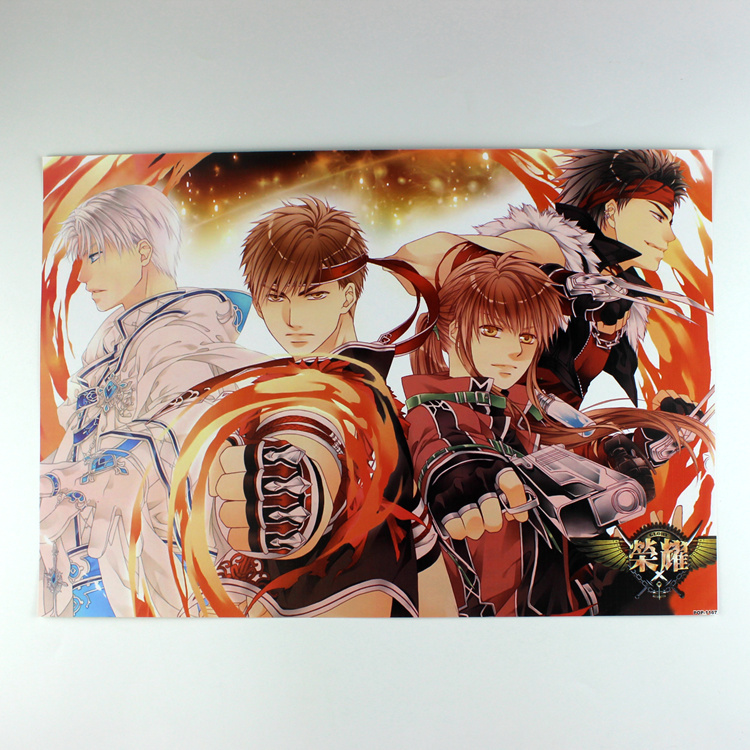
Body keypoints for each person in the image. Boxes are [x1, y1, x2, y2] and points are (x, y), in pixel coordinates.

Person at [403, 252, 713, 616]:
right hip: (501, 614)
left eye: (527, 336)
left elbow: (564, 464)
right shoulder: (436, 414)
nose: (515, 350)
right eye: (492, 331)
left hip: (566, 599)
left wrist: (640, 444)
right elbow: (447, 452)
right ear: (453, 331)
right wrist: (465, 482)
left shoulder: (514, 412)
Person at [198, 197, 454, 617]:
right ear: (258, 302)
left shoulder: (353, 394)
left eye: (312, 295)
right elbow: (420, 541)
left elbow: (316, 432)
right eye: (276, 297)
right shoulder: (311, 389)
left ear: (347, 295)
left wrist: (303, 483)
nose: (291, 317)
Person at [39, 185, 262, 617]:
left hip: (153, 581)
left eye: (95, 256)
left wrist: (128, 459)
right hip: (89, 576)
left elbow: (190, 421)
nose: (81, 276)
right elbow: (76, 448)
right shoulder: (111, 347)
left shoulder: (179, 336)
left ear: (143, 251)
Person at [390, 149, 694, 407]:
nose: (669, 236)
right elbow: (412, 260)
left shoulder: (623, 296)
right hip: (476, 425)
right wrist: (554, 281)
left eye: (670, 221)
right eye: (657, 216)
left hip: (537, 438)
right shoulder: (552, 246)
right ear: (612, 210)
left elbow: (567, 400)